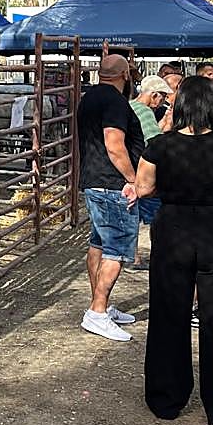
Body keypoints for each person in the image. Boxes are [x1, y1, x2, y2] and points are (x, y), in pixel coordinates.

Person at [127, 75, 213, 425]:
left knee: (169, 314)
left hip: (174, 230)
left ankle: (166, 400)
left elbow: (143, 187)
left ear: (180, 105)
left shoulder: (160, 145)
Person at [77, 54, 145, 341]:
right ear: (123, 75)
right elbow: (114, 145)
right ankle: (98, 312)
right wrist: (133, 179)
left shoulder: (89, 97)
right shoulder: (115, 102)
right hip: (113, 184)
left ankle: (100, 304)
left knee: (98, 244)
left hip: (95, 180)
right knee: (115, 250)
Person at [129, 75, 173, 270]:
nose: (162, 102)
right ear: (154, 95)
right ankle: (161, 256)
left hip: (130, 169)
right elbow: (155, 143)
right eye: (162, 97)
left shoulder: (130, 106)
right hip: (143, 170)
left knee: (133, 216)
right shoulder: (145, 112)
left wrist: (164, 122)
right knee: (158, 216)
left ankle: (133, 256)